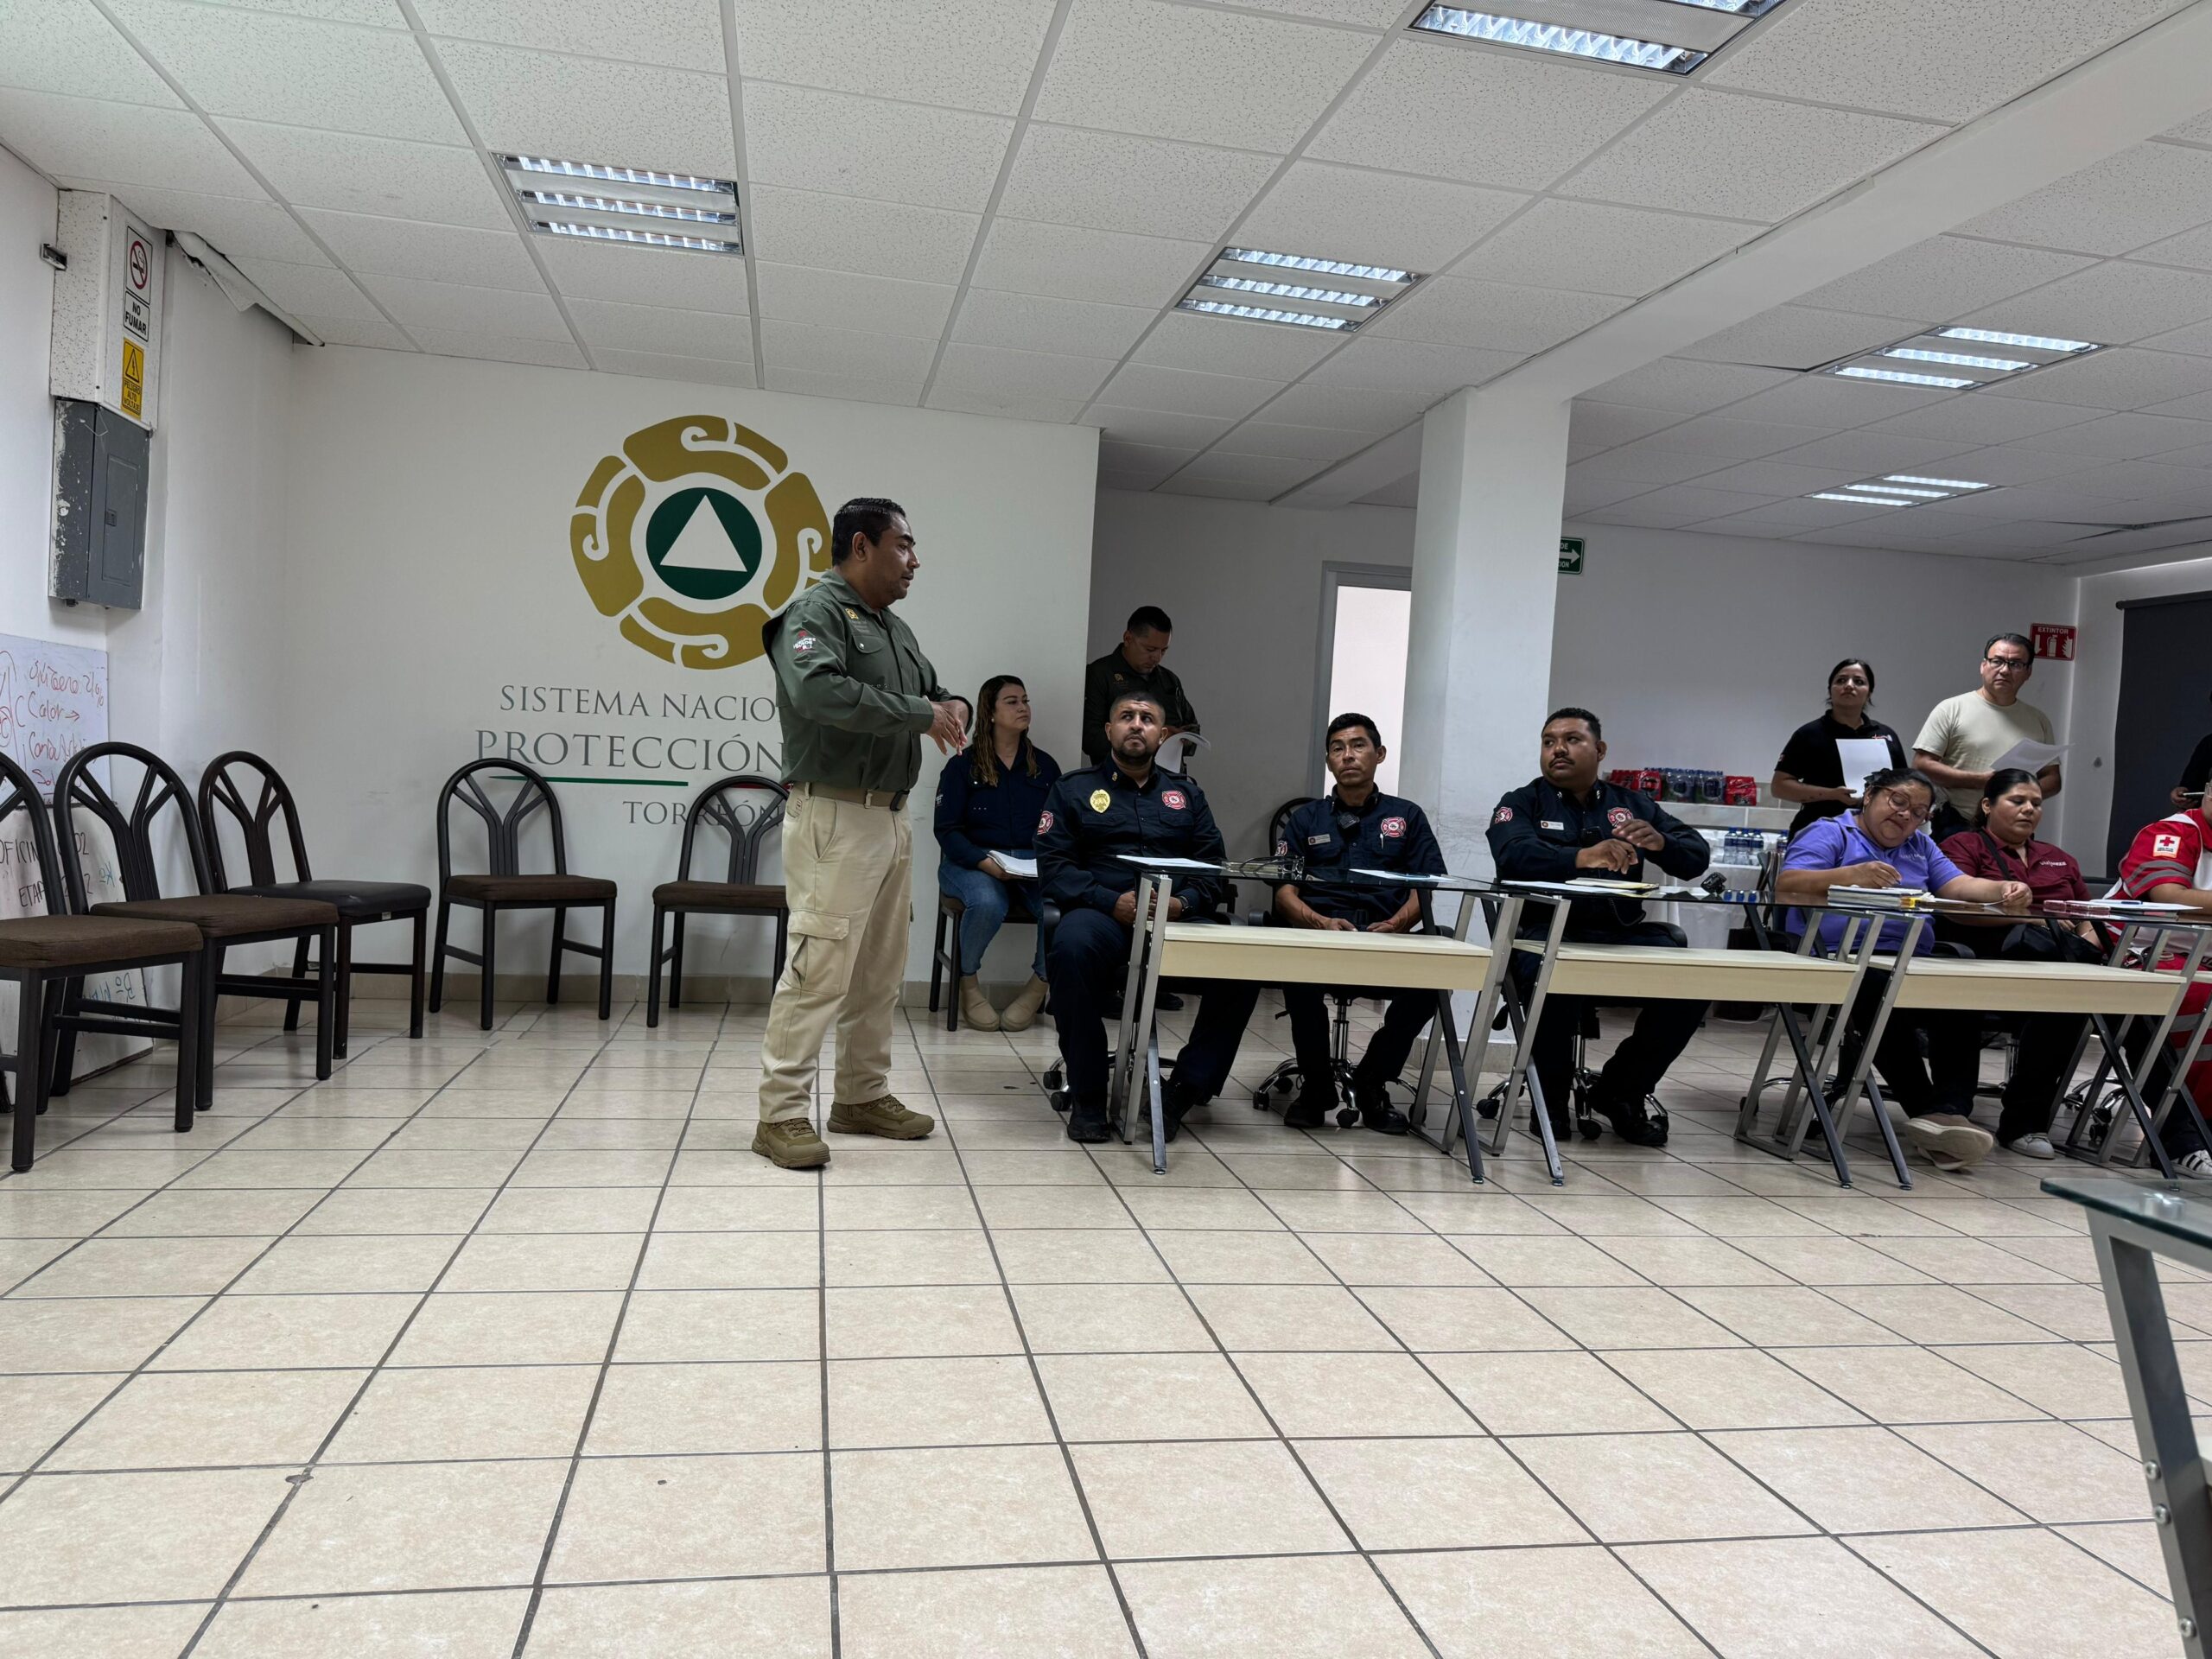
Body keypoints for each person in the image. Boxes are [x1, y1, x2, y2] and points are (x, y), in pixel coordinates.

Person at [752, 498, 968, 1170]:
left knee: (878, 971)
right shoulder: (813, 614)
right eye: (903, 544)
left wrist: (953, 705)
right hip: (835, 815)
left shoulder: (893, 629)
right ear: (861, 546)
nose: (915, 560)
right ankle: (780, 1114)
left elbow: (932, 692)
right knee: (818, 970)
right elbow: (818, 694)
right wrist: (922, 713)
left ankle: (860, 1096)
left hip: (890, 818)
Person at [1777, 766, 2030, 1172]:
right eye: (1898, 802)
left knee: (1961, 989)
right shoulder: (1831, 832)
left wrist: (2003, 888)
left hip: (1910, 957)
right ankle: (1929, 1114)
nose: (1906, 816)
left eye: (1919, 812)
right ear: (1870, 796)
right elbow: (1788, 883)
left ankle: (1950, 1111)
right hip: (1838, 958)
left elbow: (1958, 885)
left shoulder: (1920, 845)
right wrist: (1850, 876)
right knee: (1879, 991)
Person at [1038, 690, 1260, 1144]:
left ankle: (1183, 1091)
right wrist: (1109, 901)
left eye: (1147, 718)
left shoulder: (1187, 795)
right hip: (1102, 915)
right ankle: (1089, 1097)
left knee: (1243, 961)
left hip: (1175, 917)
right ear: (1109, 730)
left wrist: (1184, 904)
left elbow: (1213, 870)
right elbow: (1055, 867)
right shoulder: (1072, 789)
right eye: (1126, 716)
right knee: (1071, 948)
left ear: (1162, 735)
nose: (1136, 725)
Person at [1486, 707, 1713, 1147]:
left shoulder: (1631, 805)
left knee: (1692, 980)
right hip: (1544, 934)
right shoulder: (1521, 802)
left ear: (1600, 749)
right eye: (1549, 742)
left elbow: (1695, 858)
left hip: (1617, 934)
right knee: (1556, 971)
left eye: (1572, 740)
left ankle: (1621, 1091)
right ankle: (1550, 1100)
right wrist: (1581, 857)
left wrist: (1662, 843)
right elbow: (1512, 856)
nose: (1558, 750)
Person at [1269, 714, 1445, 1135]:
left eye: (1358, 745)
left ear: (1379, 754)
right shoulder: (1306, 819)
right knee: (1296, 974)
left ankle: (1372, 1080)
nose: (1348, 755)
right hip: (1321, 936)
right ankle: (1316, 1087)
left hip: (1388, 937)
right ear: (1329, 761)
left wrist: (1398, 924)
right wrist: (1318, 922)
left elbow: (1425, 888)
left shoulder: (1407, 816)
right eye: (1338, 748)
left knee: (1437, 974)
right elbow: (1283, 892)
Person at [1936, 769, 2099, 1159]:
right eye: (2018, 801)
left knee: (2066, 1003)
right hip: (1983, 962)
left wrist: (2086, 941)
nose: (2029, 809)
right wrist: (2032, 921)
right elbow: (1954, 908)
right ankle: (1950, 1114)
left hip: (2057, 968)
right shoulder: (1963, 846)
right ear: (1987, 805)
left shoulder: (2058, 858)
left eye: (2036, 803)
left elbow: (2087, 915)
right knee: (1961, 995)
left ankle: (2024, 1123)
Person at [934, 675, 1060, 1033]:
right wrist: (985, 863)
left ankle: (1038, 987)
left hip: (1031, 864)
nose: (1023, 708)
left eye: (1026, 700)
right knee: (988, 902)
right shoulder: (963, 766)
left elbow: (1060, 828)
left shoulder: (1045, 766)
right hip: (971, 861)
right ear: (990, 712)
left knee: (1061, 907)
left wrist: (1043, 863)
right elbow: (947, 831)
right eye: (1012, 701)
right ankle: (968, 982)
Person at [2111, 798, 2212, 1178]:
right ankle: (2181, 1137)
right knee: (2192, 997)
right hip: (2142, 953)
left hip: (2200, 958)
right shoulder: (2173, 832)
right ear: (2208, 792)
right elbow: (2170, 896)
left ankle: (2205, 1130)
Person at [1912, 632, 2062, 834]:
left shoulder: (2038, 719)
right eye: (1997, 661)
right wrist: (1980, 781)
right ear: (1983, 666)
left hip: (2015, 827)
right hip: (1958, 823)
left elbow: (2053, 779)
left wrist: (2019, 794)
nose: (2005, 670)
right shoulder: (1951, 709)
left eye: (2016, 664)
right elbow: (1922, 764)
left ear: (2028, 672)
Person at [1770, 658, 1910, 838]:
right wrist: (1832, 794)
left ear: (1869, 693)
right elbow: (1779, 787)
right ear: (1830, 689)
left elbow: (1905, 786)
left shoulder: (1886, 735)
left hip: (1874, 836)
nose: (1849, 686)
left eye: (1858, 682)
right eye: (1841, 680)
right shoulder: (1809, 734)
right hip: (1818, 832)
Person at [1081, 605, 1198, 766]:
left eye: (1163, 650)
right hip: (1118, 777)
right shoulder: (1100, 674)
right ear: (1128, 639)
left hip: (1169, 777)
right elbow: (1090, 738)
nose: (1157, 658)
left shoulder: (1170, 680)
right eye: (1150, 649)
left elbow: (1193, 730)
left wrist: (1182, 739)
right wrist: (1153, 739)